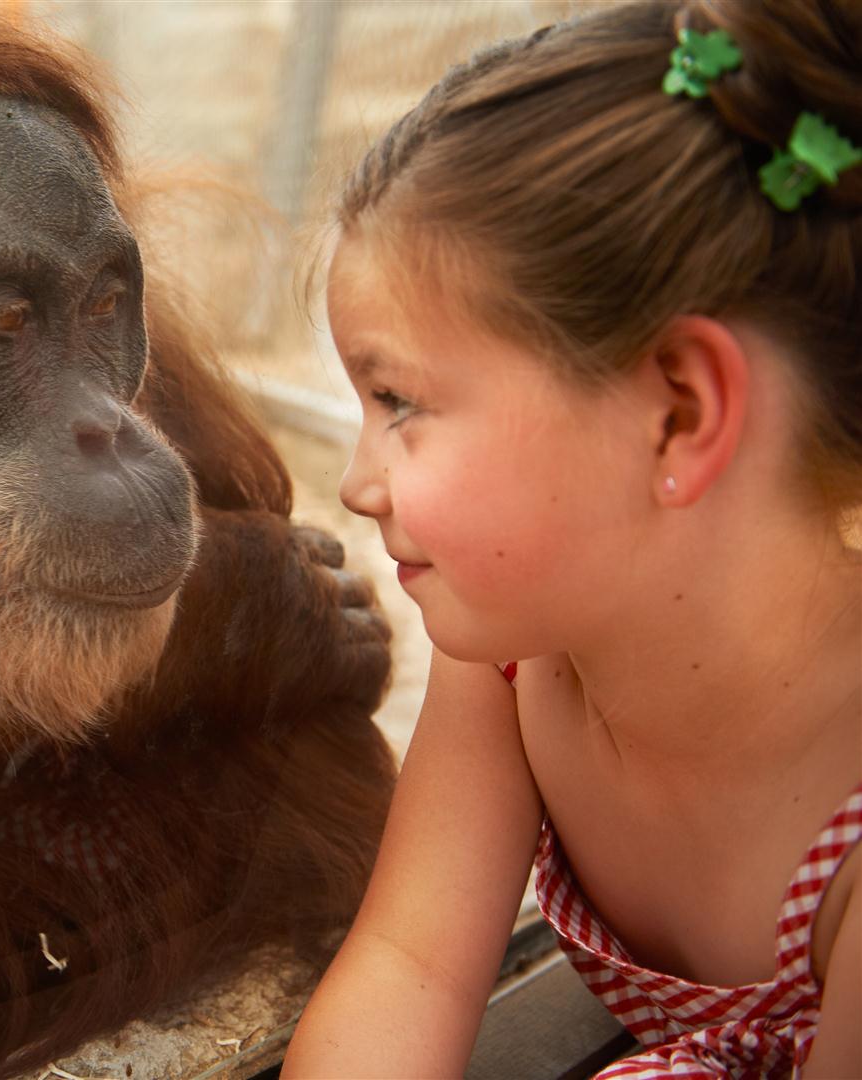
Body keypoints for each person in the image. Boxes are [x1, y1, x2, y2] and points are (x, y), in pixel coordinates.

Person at [281, 1, 860, 1076]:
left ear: (677, 414)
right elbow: (411, 967)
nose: (358, 485)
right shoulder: (515, 663)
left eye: (399, 399)